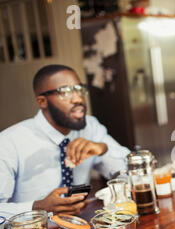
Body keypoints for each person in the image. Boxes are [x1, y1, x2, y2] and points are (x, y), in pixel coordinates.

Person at [0, 64, 130, 218]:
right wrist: (37, 207)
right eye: (65, 92)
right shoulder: (9, 143)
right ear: (42, 101)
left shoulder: (90, 127)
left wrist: (105, 148)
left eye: (80, 89)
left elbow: (131, 174)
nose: (78, 98)